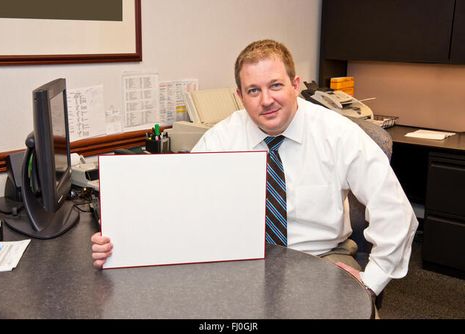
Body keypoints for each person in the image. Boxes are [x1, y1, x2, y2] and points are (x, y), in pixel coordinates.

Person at [91, 39, 418, 303]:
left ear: (295, 84)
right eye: (253, 90)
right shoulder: (222, 138)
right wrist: (120, 241)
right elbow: (177, 209)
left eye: (276, 85)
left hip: (322, 256)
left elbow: (396, 213)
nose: (266, 100)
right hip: (239, 259)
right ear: (239, 96)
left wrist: (371, 281)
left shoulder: (338, 134)